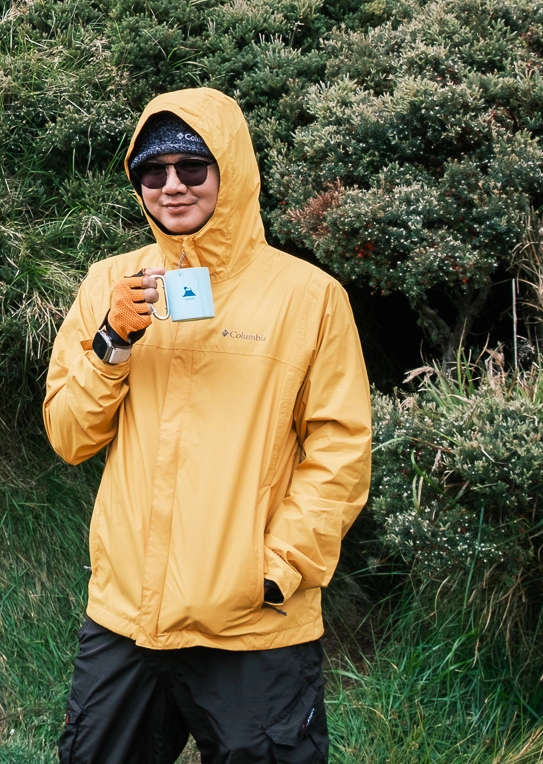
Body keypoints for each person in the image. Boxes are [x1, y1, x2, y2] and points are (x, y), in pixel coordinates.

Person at [44, 88, 373, 764]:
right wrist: (114, 341)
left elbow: (339, 451)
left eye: (192, 168)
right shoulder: (111, 282)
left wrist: (277, 571)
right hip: (127, 618)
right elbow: (70, 437)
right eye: (151, 172)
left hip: (254, 626)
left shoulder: (308, 297)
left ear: (232, 169)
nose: (171, 187)